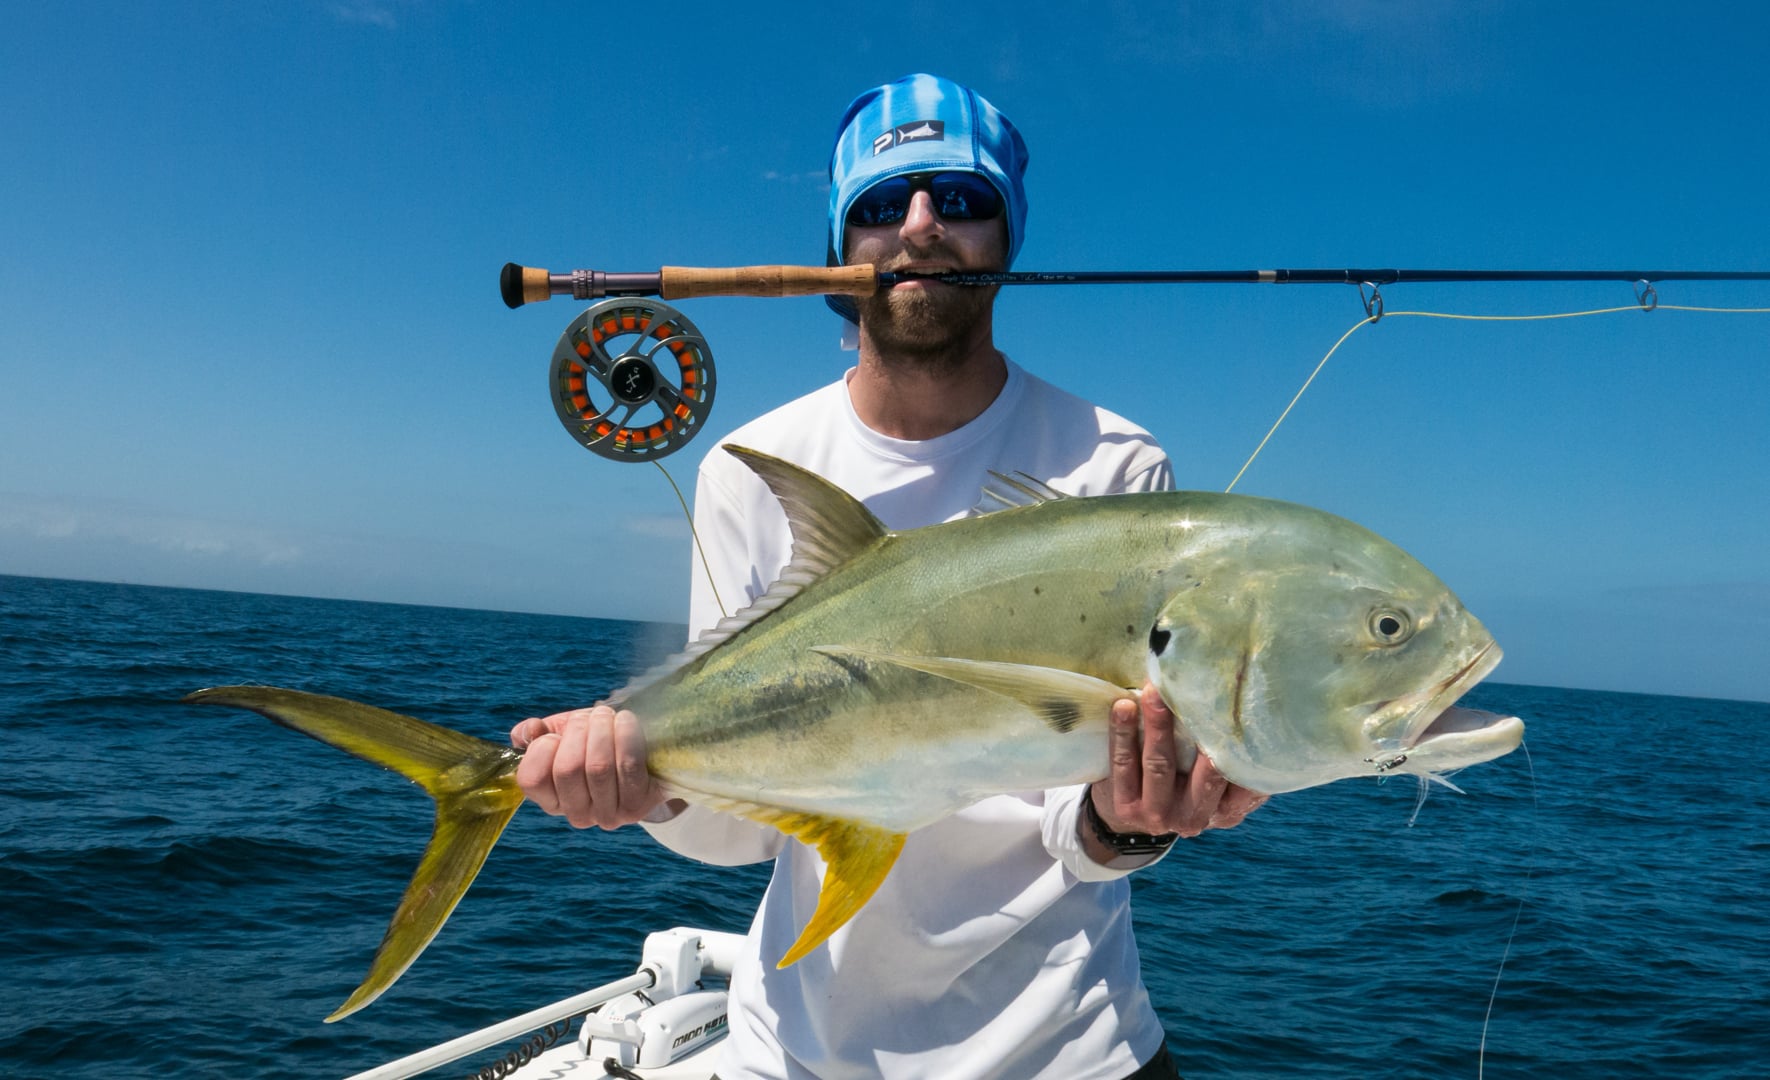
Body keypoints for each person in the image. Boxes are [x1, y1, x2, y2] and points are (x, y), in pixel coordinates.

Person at [510, 73, 1267, 1080]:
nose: (919, 229)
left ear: (1007, 239)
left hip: (1069, 1051)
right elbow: (741, 834)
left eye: (959, 200)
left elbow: (1083, 819)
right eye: (879, 206)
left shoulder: (1113, 468)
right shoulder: (750, 468)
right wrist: (648, 790)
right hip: (800, 1054)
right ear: (841, 250)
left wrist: (1120, 828)